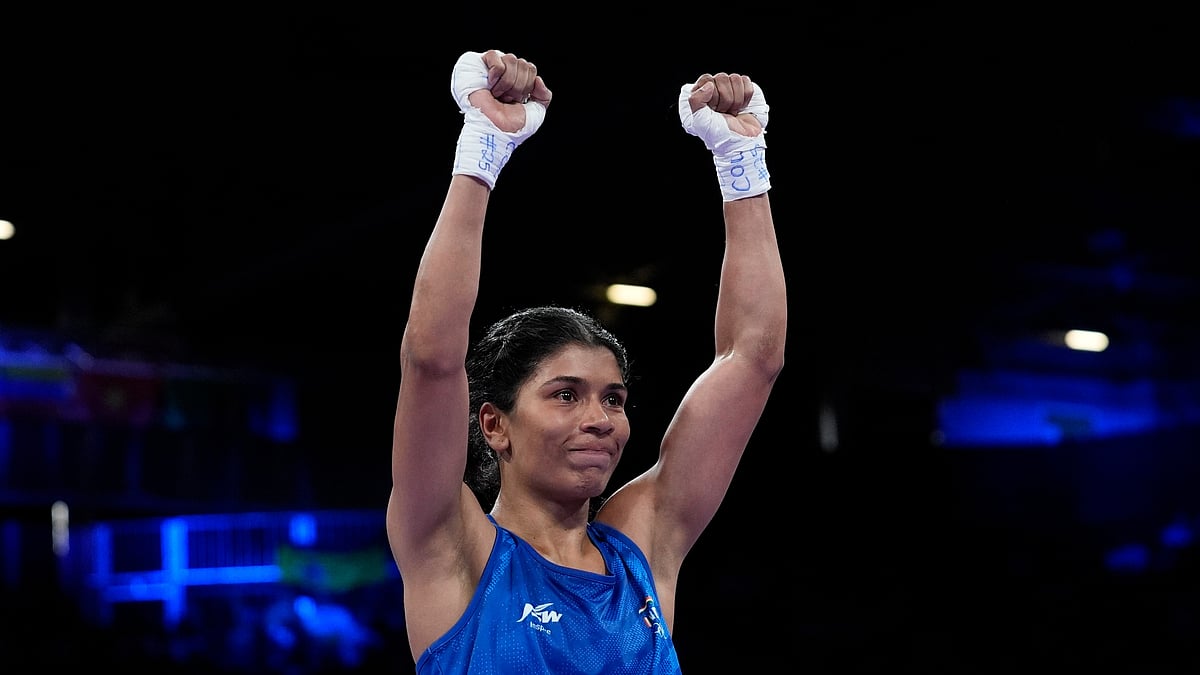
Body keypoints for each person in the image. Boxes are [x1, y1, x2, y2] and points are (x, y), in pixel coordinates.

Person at [385, 48, 786, 674]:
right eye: (566, 394)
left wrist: (742, 164)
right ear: (494, 424)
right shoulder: (452, 549)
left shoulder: (643, 551)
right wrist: (482, 150)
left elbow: (752, 358)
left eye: (614, 399)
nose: (601, 418)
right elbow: (432, 360)